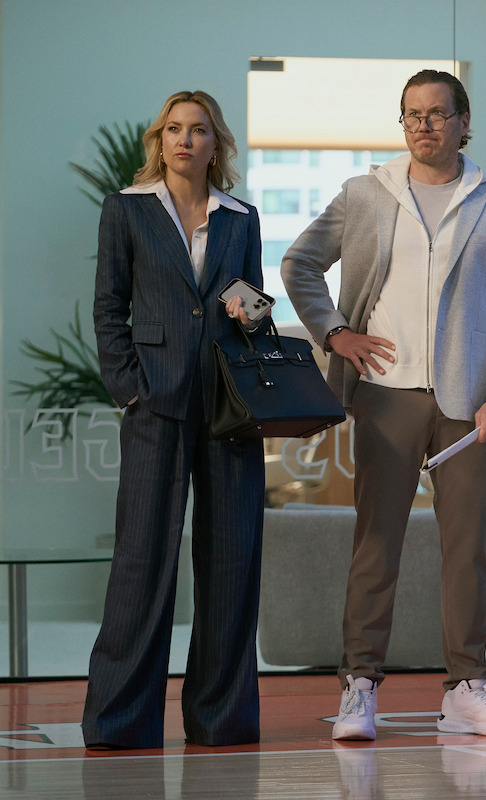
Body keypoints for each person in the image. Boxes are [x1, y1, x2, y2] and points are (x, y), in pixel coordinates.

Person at [282, 69, 486, 740]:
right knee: (376, 544)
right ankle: (360, 685)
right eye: (413, 115)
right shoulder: (366, 193)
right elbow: (299, 265)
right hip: (385, 394)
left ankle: (467, 688)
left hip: (467, 403)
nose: (424, 125)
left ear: (463, 121)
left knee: (467, 550)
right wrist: (335, 333)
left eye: (438, 113)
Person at [85, 90, 267, 749]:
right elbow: (109, 307)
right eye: (173, 129)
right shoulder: (127, 210)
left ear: (217, 144)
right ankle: (120, 721)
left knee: (232, 560)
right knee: (142, 560)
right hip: (154, 404)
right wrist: (129, 389)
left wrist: (252, 310)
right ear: (159, 141)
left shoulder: (241, 217)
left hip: (229, 407)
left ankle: (222, 719)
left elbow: (254, 306)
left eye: (198, 130)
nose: (184, 139)